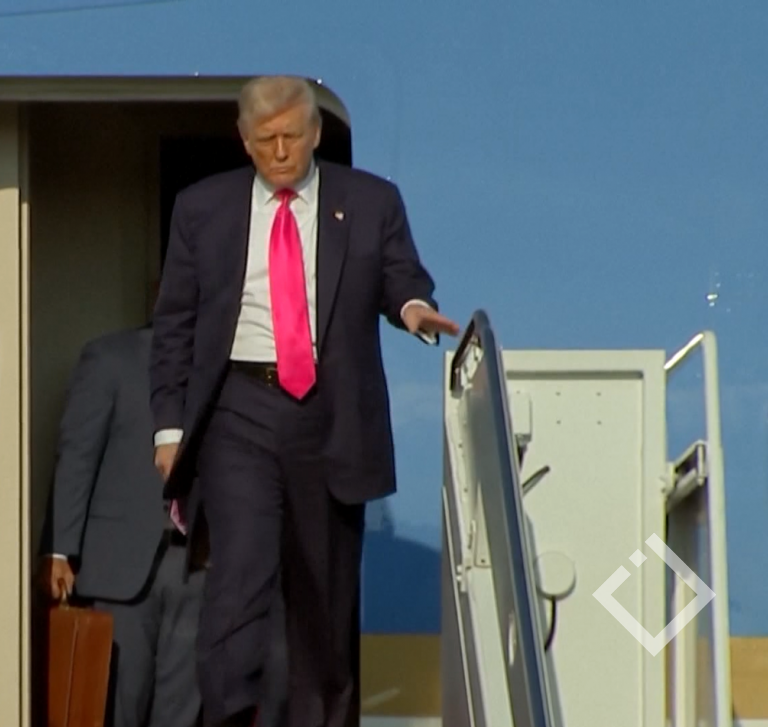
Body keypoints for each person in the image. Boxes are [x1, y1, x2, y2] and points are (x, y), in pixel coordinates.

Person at [149, 76, 460, 727]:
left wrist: (413, 309)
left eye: (292, 136)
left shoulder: (369, 201)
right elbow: (175, 322)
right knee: (240, 576)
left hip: (330, 414)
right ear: (244, 140)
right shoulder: (202, 208)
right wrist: (169, 430)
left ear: (316, 133)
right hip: (238, 408)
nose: (281, 151)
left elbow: (401, 276)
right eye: (266, 140)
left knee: (324, 598)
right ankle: (231, 715)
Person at [41, 321, 206, 727]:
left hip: (200, 566)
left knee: (184, 713)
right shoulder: (111, 357)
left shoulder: (224, 367)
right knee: (116, 708)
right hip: (118, 570)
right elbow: (77, 455)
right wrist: (58, 550)